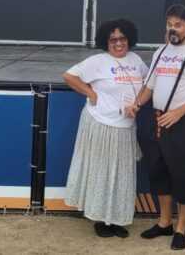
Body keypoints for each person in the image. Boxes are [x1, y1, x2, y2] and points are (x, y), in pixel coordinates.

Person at [126, 4, 185, 250]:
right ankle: (164, 222)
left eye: (177, 25)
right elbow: (150, 86)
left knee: (183, 176)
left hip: (182, 122)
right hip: (156, 120)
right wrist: (137, 104)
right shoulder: (160, 52)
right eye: (169, 24)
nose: (172, 29)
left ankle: (181, 228)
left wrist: (178, 112)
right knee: (158, 173)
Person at [63, 18, 148, 238]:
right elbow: (69, 76)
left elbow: (148, 85)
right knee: (101, 172)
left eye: (122, 38)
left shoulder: (136, 60)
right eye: (113, 39)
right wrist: (91, 94)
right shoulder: (97, 61)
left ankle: (116, 218)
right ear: (106, 41)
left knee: (121, 174)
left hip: (126, 125)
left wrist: (137, 104)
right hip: (101, 123)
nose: (118, 43)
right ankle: (100, 219)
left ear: (129, 39)